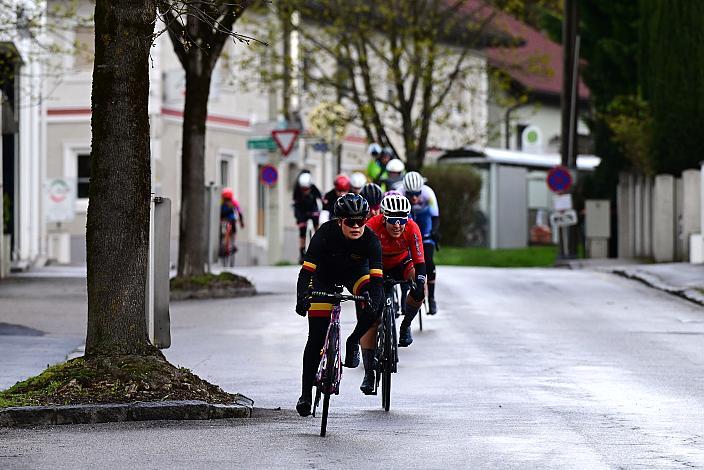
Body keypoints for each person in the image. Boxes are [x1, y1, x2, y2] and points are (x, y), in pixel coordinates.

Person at [294, 193, 384, 415]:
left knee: (374, 303)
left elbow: (378, 282)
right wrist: (302, 297)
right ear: (339, 221)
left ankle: (353, 341)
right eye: (350, 222)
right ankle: (305, 395)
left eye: (361, 221)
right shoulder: (324, 234)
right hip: (324, 276)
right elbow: (306, 273)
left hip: (356, 275)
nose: (356, 226)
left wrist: (372, 304)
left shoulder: (371, 240)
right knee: (316, 337)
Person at [365, 193, 426, 365]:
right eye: (393, 220)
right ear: (383, 218)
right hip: (377, 264)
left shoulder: (412, 228)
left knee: (420, 289)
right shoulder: (372, 226)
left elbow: (420, 262)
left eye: (402, 219)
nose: (398, 225)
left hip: (401, 262)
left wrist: (419, 284)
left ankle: (406, 325)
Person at [400, 171, 440, 315]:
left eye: (417, 193)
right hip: (408, 221)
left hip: (425, 225)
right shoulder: (399, 193)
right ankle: (404, 296)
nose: (415, 198)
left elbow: (435, 217)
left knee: (428, 260)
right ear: (405, 191)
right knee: (404, 261)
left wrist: (434, 232)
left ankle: (432, 298)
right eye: (411, 194)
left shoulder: (428, 193)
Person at [292, 171, 323, 263]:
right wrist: (299, 219)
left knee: (317, 226)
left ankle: (319, 246)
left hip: (312, 207)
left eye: (307, 189)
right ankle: (302, 252)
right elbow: (295, 205)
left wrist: (320, 211)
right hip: (301, 209)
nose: (305, 191)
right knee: (302, 230)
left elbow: (321, 198)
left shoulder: (313, 188)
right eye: (303, 189)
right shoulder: (297, 190)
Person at [220, 187, 245, 265]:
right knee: (229, 234)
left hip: (228, 221)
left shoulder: (230, 202)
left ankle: (230, 244)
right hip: (226, 221)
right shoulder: (232, 202)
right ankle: (230, 244)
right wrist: (241, 222)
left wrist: (241, 221)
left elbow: (239, 212)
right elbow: (240, 213)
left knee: (229, 233)